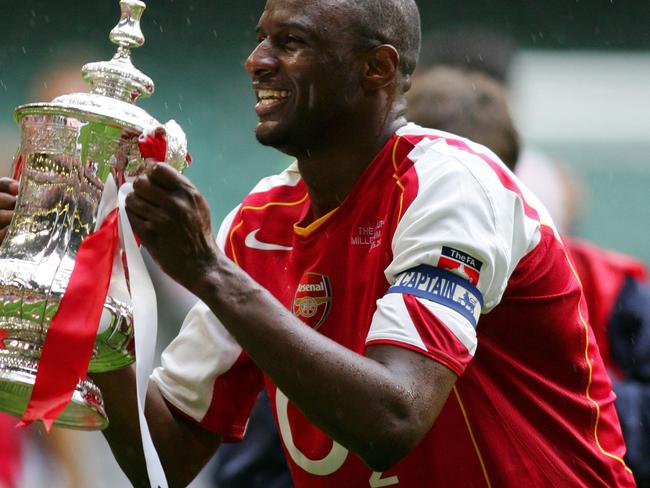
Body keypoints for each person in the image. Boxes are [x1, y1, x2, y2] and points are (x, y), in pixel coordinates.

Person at [0, 1, 638, 486]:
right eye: (260, 39)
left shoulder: (450, 182)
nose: (257, 61)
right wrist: (87, 294)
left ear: (376, 68)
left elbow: (393, 421)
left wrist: (210, 274)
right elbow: (162, 458)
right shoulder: (258, 225)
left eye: (292, 42)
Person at [406, 65, 650, 487]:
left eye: (472, 193)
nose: (456, 215)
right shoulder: (348, 280)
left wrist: (545, 393)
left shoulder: (608, 282)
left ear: (507, 180)